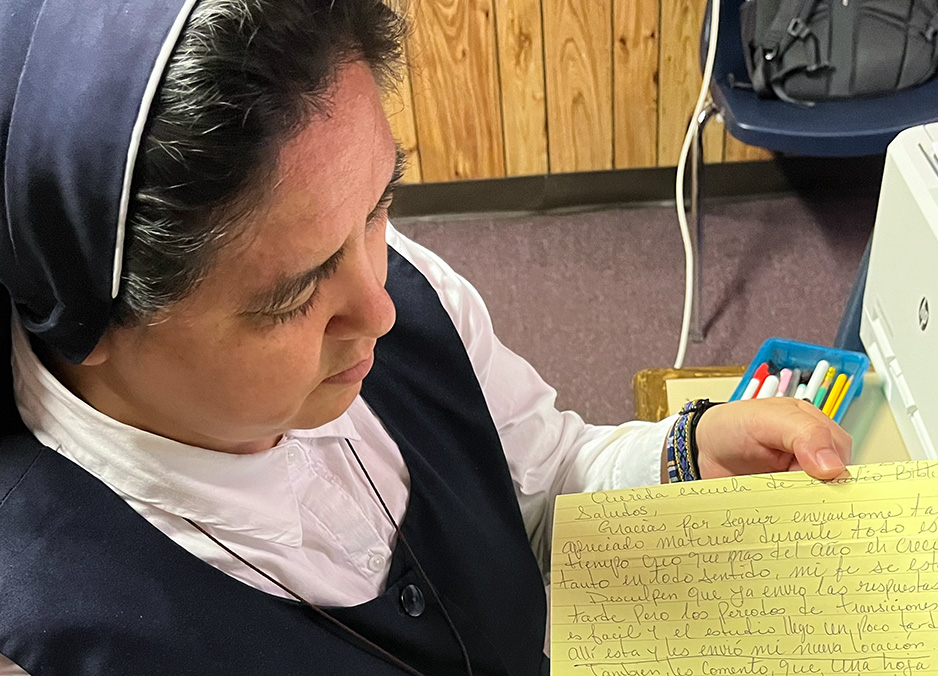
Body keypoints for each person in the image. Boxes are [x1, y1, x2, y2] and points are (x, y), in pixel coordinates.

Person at [0, 1, 852, 674]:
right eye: (294, 296)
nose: (381, 310)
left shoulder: (398, 278)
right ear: (92, 326)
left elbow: (535, 475)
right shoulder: (53, 633)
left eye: (379, 205)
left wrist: (678, 455)